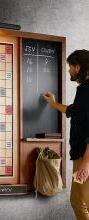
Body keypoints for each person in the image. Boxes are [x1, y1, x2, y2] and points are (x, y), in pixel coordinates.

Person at [44, 50, 89, 220]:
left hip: (85, 158)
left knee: (83, 201)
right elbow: (73, 111)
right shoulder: (83, 91)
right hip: (81, 157)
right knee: (79, 201)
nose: (68, 70)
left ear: (78, 67)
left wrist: (86, 162)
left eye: (70, 66)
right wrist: (53, 103)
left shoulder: (87, 91)